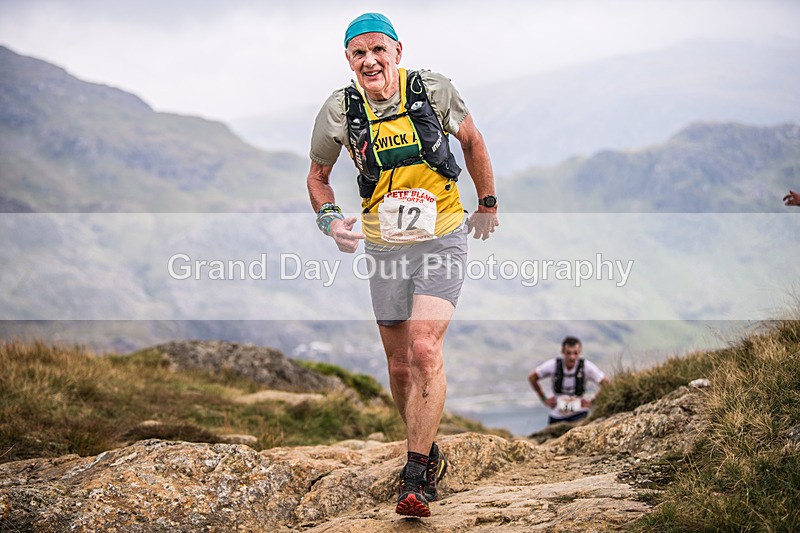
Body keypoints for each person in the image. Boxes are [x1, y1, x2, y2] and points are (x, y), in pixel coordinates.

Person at [306, 13, 499, 518]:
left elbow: (472, 141)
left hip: (442, 236)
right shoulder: (339, 110)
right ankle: (427, 444)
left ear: (397, 51)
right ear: (348, 60)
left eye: (378, 50)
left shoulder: (433, 90)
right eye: (358, 53)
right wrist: (330, 220)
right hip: (384, 246)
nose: (369, 60)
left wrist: (488, 203)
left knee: (423, 347)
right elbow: (318, 177)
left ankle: (415, 475)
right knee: (397, 365)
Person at [528, 336, 608, 425]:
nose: (572, 357)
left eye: (575, 353)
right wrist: (544, 398)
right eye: (568, 353)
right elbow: (532, 377)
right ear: (562, 352)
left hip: (580, 413)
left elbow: (606, 383)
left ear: (580, 352)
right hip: (557, 414)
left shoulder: (586, 366)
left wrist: (593, 402)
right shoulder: (553, 365)